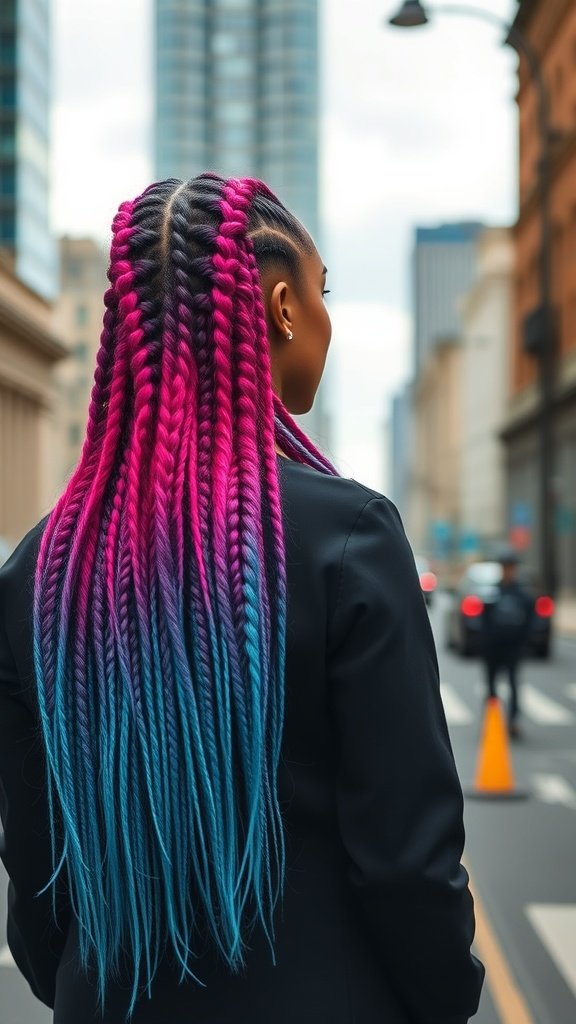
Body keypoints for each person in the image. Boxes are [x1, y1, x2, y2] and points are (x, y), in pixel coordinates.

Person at [0, 173, 484, 1024]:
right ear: (285, 305)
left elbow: (37, 867)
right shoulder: (350, 537)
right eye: (322, 290)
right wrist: (443, 1001)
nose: (325, 318)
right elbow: (408, 862)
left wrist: (85, 985)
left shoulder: (44, 567)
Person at [480, 548, 535, 739]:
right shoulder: (492, 591)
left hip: (513, 647)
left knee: (513, 685)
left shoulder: (523, 594)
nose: (508, 571)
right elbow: (482, 617)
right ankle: (492, 722)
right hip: (493, 648)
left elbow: (530, 619)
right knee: (491, 687)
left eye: (511, 567)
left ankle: (512, 722)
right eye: (505, 567)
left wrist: (524, 641)